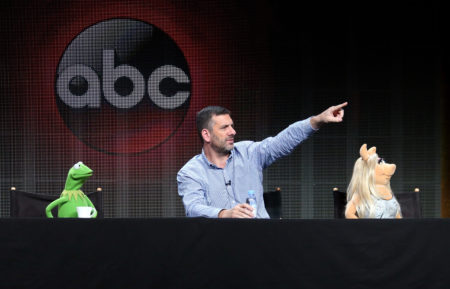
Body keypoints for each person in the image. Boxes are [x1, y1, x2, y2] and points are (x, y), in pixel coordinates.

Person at [177, 102, 347, 218]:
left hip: (260, 239)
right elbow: (193, 207)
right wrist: (224, 213)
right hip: (218, 244)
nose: (233, 131)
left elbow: (282, 141)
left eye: (232, 125)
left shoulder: (250, 152)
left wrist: (317, 120)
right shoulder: (190, 172)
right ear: (206, 134)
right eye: (224, 127)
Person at [345, 144, 402, 219]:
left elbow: (397, 214)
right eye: (379, 164)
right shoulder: (362, 193)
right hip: (371, 229)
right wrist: (362, 228)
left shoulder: (388, 192)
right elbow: (349, 214)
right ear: (367, 173)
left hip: (394, 229)